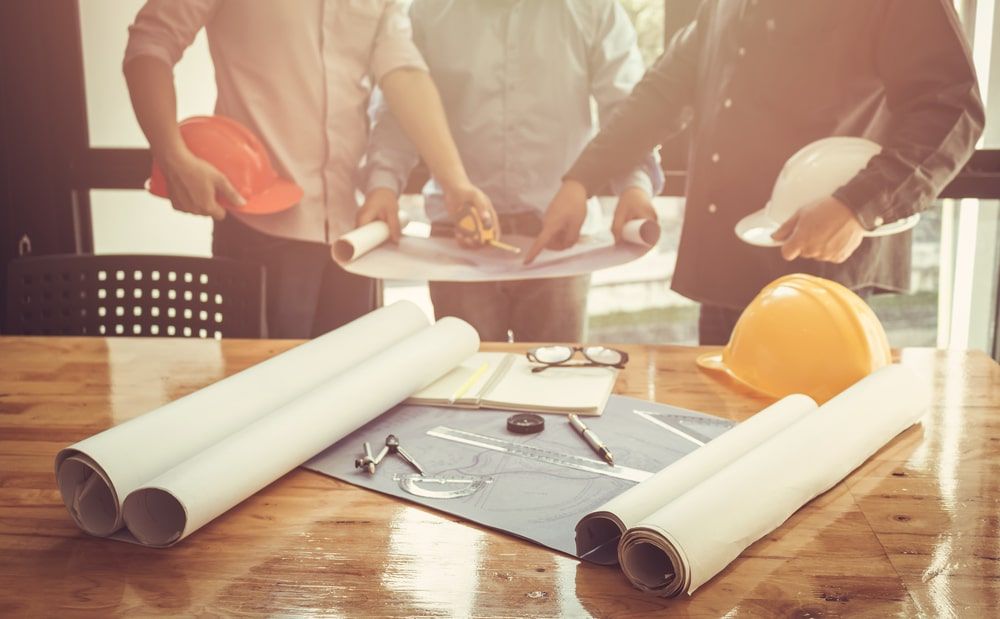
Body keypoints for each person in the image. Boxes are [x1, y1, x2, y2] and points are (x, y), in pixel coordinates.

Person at [526, 0, 984, 345]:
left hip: (819, 277)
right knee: (723, 439)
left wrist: (858, 206)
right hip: (726, 268)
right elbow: (662, 93)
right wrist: (581, 180)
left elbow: (952, 105)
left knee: (810, 456)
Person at [123, 1, 495, 338]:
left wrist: (454, 182)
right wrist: (172, 155)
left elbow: (403, 72)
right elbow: (150, 43)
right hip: (260, 228)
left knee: (352, 391)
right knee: (263, 391)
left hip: (351, 236)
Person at [360, 0, 663, 343]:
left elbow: (626, 108)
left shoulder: (594, 9)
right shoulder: (425, 11)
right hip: (457, 242)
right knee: (464, 385)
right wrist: (383, 185)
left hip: (560, 245)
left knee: (554, 385)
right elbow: (401, 109)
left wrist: (635, 186)